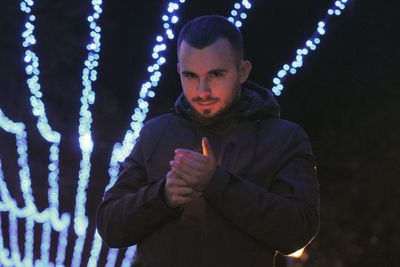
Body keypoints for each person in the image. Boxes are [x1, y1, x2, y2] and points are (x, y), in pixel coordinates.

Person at [96, 15, 319, 267]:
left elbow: (299, 231)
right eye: (191, 76)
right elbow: (109, 225)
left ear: (243, 71)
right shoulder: (155, 134)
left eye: (215, 74)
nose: (202, 91)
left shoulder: (283, 138)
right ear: (179, 71)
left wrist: (217, 183)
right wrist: (162, 196)